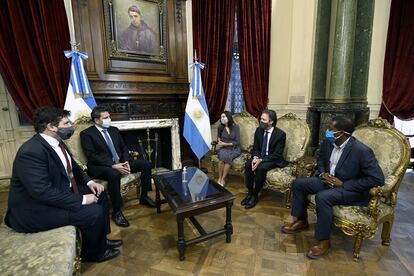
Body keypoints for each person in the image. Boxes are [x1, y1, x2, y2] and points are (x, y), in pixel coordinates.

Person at [5, 107, 121, 262]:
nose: (71, 125)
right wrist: (82, 199)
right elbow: (42, 192)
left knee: (100, 195)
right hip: (35, 209)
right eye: (66, 123)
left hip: (58, 192)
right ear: (51, 127)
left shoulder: (59, 142)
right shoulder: (31, 152)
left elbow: (74, 167)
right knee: (92, 212)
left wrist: (90, 182)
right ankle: (93, 254)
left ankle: (101, 241)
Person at [281, 116, 385, 259]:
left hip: (349, 189)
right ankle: (301, 220)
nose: (327, 132)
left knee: (323, 197)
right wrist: (323, 173)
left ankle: (324, 241)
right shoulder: (328, 142)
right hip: (327, 180)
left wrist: (343, 184)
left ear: (342, 133)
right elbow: (321, 159)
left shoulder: (361, 151)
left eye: (331, 129)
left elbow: (377, 178)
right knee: (299, 184)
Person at [80, 106, 156, 228]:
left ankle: (144, 196)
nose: (109, 119)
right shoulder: (86, 134)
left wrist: (125, 162)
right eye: (106, 117)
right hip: (101, 166)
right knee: (114, 174)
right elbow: (91, 155)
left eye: (109, 116)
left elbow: (124, 148)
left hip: (121, 162)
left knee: (146, 164)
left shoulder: (114, 130)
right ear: (96, 120)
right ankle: (117, 211)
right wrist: (113, 165)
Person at [242, 109, 288, 209]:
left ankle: (255, 195)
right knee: (248, 165)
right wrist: (255, 157)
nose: (261, 121)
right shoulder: (259, 130)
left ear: (271, 122)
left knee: (261, 168)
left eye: (264, 119)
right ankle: (250, 192)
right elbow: (256, 147)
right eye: (261, 119)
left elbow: (277, 154)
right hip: (259, 156)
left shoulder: (280, 135)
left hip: (273, 159)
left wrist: (261, 160)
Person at [216, 111, 241, 186]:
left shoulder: (236, 127)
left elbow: (237, 142)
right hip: (223, 148)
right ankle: (219, 178)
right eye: (221, 117)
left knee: (228, 157)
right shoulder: (220, 127)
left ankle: (223, 178)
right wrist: (219, 141)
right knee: (221, 158)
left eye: (223, 117)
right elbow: (218, 137)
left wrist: (225, 144)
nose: (222, 119)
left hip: (234, 148)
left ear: (228, 117)